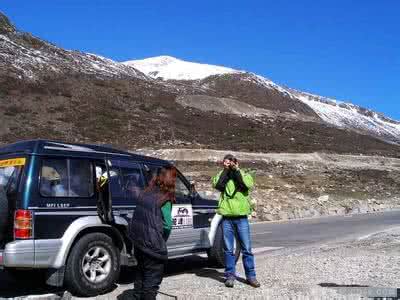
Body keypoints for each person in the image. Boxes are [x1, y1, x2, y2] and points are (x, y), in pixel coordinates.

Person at [212, 154, 260, 288]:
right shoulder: (223, 175)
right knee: (228, 249)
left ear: (236, 162)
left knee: (247, 249)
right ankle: (230, 276)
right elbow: (216, 184)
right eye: (226, 162)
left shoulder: (244, 174)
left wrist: (236, 170)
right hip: (227, 217)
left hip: (241, 217)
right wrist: (225, 170)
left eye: (231, 162)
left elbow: (247, 184)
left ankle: (251, 276)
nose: (229, 164)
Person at [128, 165, 176, 300]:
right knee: (151, 281)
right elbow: (167, 225)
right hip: (152, 245)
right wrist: (161, 241)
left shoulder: (146, 192)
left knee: (140, 275)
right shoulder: (165, 197)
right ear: (170, 179)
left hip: (138, 241)